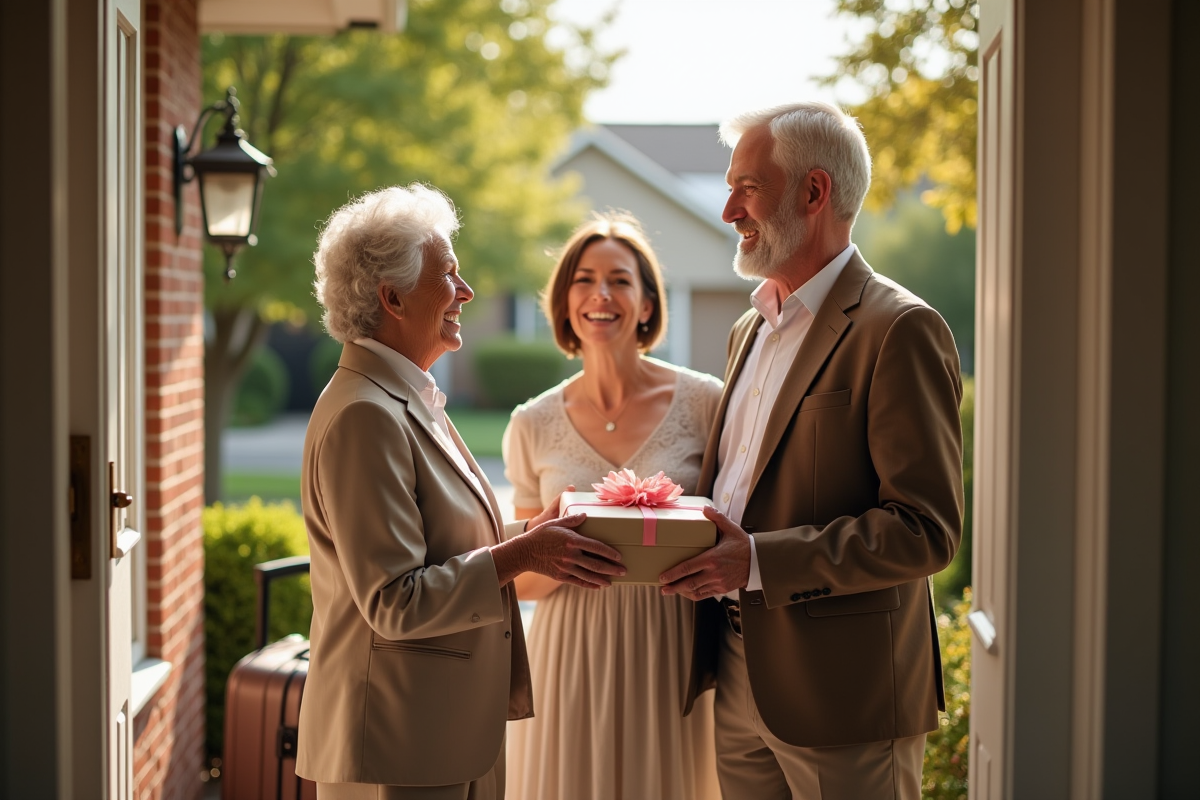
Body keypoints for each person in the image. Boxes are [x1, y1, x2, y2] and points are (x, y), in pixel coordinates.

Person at [661, 102, 964, 799]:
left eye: (747, 188)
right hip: (735, 670)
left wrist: (757, 561)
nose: (730, 211)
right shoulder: (747, 330)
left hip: (845, 694)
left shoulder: (899, 328)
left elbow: (925, 531)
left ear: (814, 191)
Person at [294, 184, 626, 800]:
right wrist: (524, 555)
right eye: (448, 274)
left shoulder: (404, 396)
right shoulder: (365, 414)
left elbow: (438, 546)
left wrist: (533, 535)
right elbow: (396, 601)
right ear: (392, 297)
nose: (466, 291)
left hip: (438, 735)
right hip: (395, 748)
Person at [502, 212, 723, 800]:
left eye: (619, 280)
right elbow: (521, 582)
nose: (600, 294)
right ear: (565, 303)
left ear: (647, 304)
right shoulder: (531, 423)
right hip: (569, 654)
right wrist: (554, 550)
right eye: (584, 280)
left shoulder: (707, 402)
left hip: (672, 647)